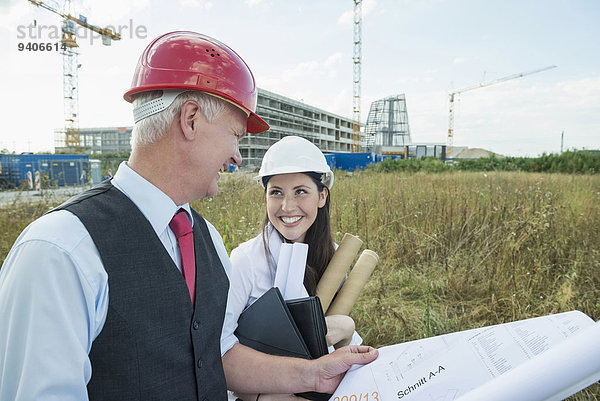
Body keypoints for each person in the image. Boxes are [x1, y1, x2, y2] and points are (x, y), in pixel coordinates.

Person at [0, 31, 377, 401]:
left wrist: (312, 375)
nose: (237, 157)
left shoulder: (206, 237)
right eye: (235, 135)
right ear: (191, 119)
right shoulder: (59, 250)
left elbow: (218, 354)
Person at [222, 136, 363, 401]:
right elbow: (219, 350)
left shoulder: (333, 258)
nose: (287, 207)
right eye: (276, 192)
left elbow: (334, 348)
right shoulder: (245, 261)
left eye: (300, 191)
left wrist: (346, 330)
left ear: (322, 195)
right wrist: (265, 397)